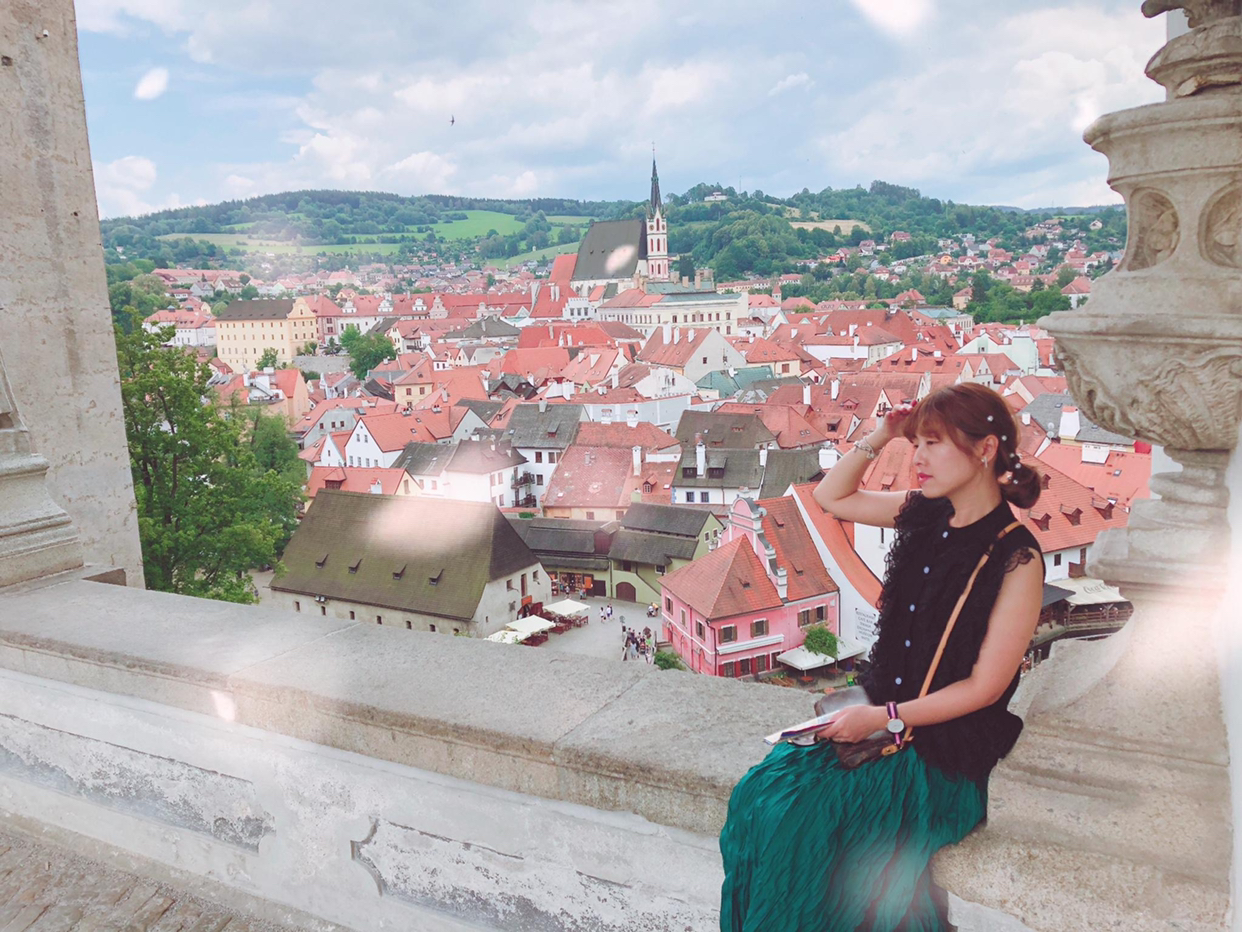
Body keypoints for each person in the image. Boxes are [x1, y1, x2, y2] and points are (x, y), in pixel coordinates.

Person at [719, 383, 1045, 932]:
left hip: (939, 748)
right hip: (880, 717)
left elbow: (984, 687)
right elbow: (832, 498)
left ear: (986, 449)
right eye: (917, 444)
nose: (918, 458)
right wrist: (882, 434)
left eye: (933, 444)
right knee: (760, 794)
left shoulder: (1016, 556)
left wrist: (885, 718)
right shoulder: (927, 513)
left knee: (810, 824)